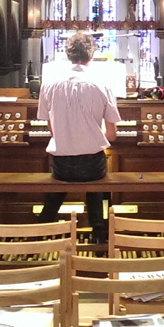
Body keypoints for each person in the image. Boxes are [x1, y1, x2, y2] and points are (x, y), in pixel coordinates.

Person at [35, 31, 121, 243]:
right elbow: (112, 135)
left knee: (66, 171)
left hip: (61, 165)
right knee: (94, 169)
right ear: (91, 55)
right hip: (92, 165)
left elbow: (51, 128)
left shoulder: (50, 84)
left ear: (68, 55)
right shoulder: (102, 84)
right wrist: (90, 136)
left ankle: (42, 225)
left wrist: (71, 138)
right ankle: (99, 231)